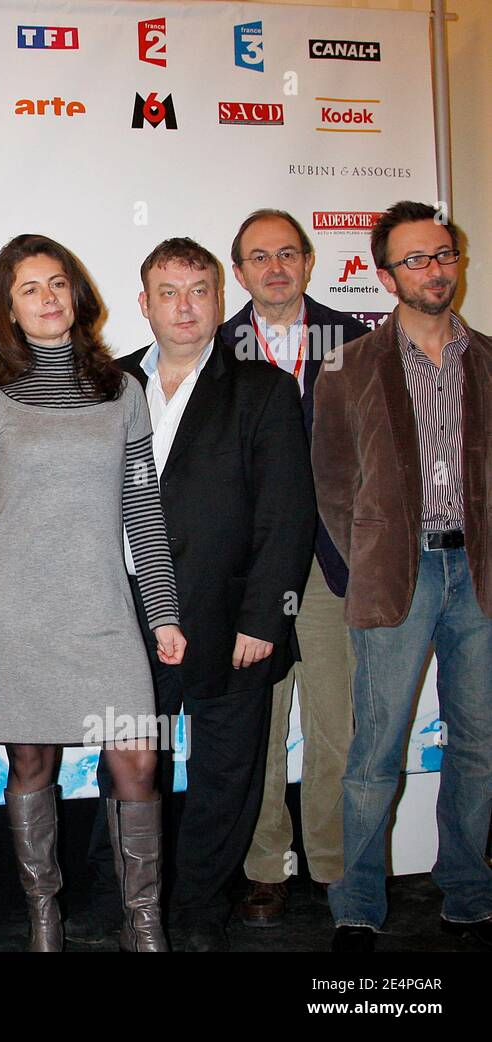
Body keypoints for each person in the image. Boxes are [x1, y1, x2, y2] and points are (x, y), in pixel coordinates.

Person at [0, 234, 187, 952]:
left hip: (104, 612)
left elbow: (143, 507)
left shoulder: (123, 391)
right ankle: (43, 920)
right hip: (14, 616)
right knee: (30, 764)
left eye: (58, 284)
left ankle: (142, 923)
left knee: (138, 759)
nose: (48, 298)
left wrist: (165, 611)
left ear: (77, 296)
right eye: (30, 289)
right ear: (9, 310)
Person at [108, 238, 316, 952]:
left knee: (225, 774)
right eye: (168, 292)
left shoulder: (262, 388)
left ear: (218, 300)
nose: (185, 306)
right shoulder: (106, 385)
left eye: (199, 291)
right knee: (134, 766)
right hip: (126, 615)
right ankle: (140, 905)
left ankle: (198, 911)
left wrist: (266, 616)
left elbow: (286, 514)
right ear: (145, 303)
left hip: (234, 619)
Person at [313, 201, 492, 952]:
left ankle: (468, 892)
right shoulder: (347, 364)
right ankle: (356, 904)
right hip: (399, 575)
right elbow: (330, 479)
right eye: (416, 259)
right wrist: (376, 559)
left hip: (479, 578)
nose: (434, 270)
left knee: (479, 743)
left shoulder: (488, 358)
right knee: (375, 750)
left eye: (444, 255)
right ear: (386, 276)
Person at [218, 209, 369, 925]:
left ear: (309, 263)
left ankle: (337, 864)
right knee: (262, 724)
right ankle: (265, 868)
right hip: (250, 571)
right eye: (258, 257)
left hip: (335, 566)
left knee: (337, 722)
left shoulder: (360, 342)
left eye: (287, 254)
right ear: (239, 271)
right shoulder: (215, 349)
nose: (274, 268)